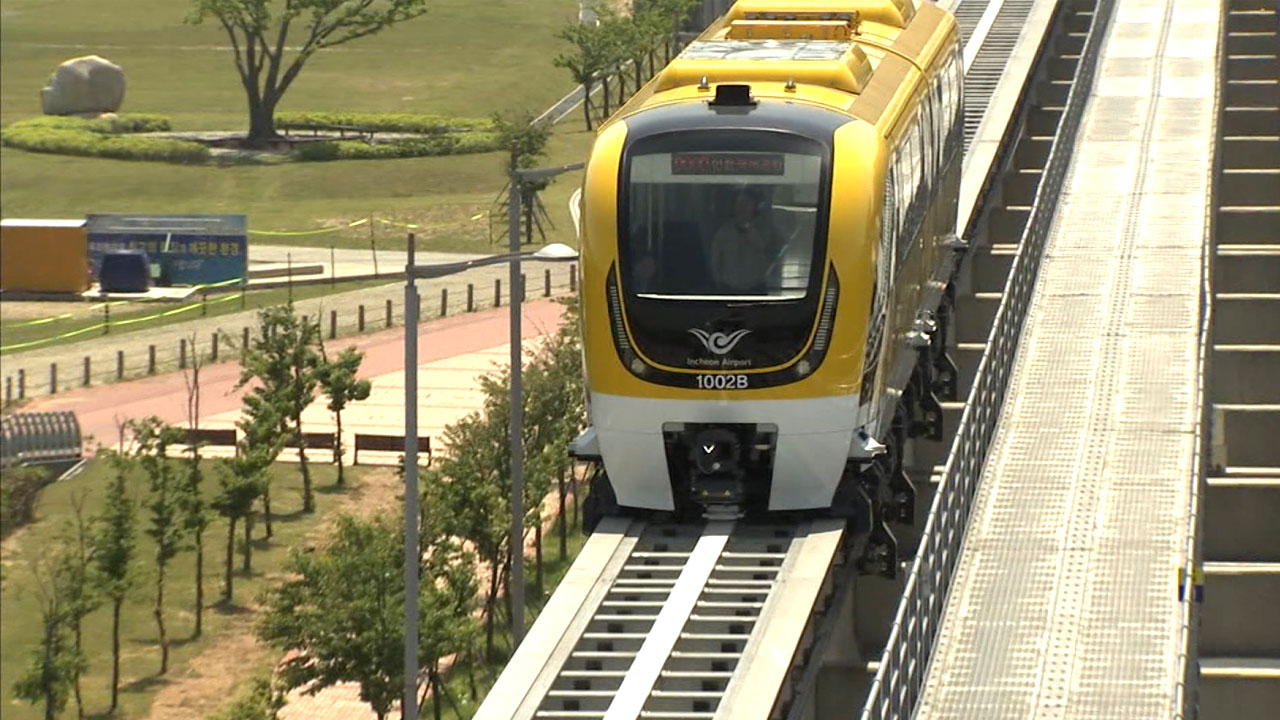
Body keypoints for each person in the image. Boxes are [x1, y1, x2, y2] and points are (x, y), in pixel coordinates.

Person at [710, 187, 777, 294]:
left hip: (755, 287)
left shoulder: (762, 228)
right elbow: (715, 258)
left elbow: (764, 247)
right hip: (728, 288)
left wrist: (749, 229)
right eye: (739, 203)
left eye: (747, 204)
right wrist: (718, 280)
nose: (742, 207)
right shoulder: (724, 231)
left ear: (754, 207)